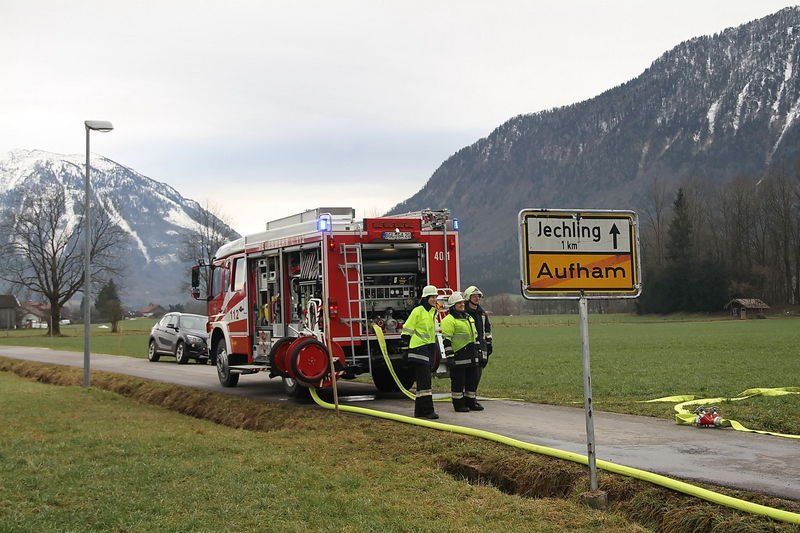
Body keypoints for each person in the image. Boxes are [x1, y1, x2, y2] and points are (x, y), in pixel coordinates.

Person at [401, 285, 439, 419]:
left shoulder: (432, 312)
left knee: (423, 383)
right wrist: (405, 350)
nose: (434, 299)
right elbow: (406, 330)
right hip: (418, 349)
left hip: (428, 348)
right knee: (425, 382)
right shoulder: (418, 311)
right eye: (432, 297)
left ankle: (419, 411)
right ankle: (428, 410)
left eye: (435, 297)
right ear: (425, 298)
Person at [440, 291, 481, 412]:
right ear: (453, 306)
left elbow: (475, 335)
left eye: (462, 302)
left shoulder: (468, 318)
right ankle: (458, 404)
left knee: (472, 381)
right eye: (459, 303)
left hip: (471, 355)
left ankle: (471, 402)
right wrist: (450, 356)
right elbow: (447, 340)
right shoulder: (449, 320)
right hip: (458, 356)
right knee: (459, 381)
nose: (462, 305)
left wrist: (478, 351)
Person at [463, 285, 491, 411]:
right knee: (467, 374)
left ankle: (471, 399)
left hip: (481, 347)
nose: (477, 298)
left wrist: (489, 344)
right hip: (467, 348)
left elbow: (487, 330)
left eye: (478, 296)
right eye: (474, 296)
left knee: (477, 374)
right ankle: (466, 400)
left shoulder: (482, 313)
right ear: (468, 298)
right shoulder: (463, 314)